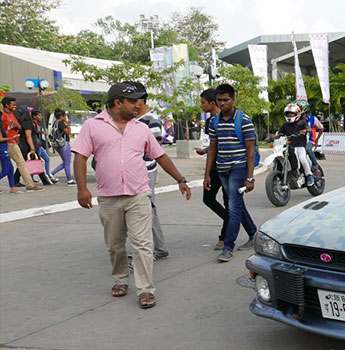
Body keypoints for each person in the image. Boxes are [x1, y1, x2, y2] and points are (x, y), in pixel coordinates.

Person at [72, 82, 191, 309]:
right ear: (118, 103)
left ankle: (146, 289)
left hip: (138, 194)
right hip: (109, 197)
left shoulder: (141, 128)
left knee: (142, 244)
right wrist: (82, 188)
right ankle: (120, 279)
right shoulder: (92, 126)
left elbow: (160, 156)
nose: (138, 105)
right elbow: (80, 157)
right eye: (133, 101)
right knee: (115, 245)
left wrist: (180, 179)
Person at [203, 83, 258, 263]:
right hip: (222, 169)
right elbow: (212, 148)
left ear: (233, 100)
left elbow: (250, 151)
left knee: (233, 207)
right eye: (220, 100)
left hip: (239, 168)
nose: (223, 103)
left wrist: (250, 177)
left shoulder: (244, 120)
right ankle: (253, 234)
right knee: (237, 204)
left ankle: (228, 247)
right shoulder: (214, 122)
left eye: (226, 100)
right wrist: (207, 174)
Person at [132, 82, 169, 260]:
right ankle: (159, 247)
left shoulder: (151, 120)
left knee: (144, 209)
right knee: (146, 209)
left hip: (146, 171)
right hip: (135, 171)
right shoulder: (132, 120)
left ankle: (147, 250)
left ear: (139, 101)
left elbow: (154, 149)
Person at [196, 88, 228, 251]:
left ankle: (225, 236)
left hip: (231, 167)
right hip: (215, 166)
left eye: (203, 102)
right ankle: (229, 221)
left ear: (212, 103)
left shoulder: (231, 118)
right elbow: (214, 146)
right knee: (208, 199)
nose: (201, 106)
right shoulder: (210, 122)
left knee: (231, 203)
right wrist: (206, 173)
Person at [1, 97, 42, 191]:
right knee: (21, 162)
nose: (15, 106)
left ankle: (16, 186)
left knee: (5, 167)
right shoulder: (2, 115)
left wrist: (15, 125)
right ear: (7, 105)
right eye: (13, 104)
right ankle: (30, 185)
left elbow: (19, 127)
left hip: (14, 141)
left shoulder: (11, 114)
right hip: (8, 141)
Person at [277, 102, 315, 186]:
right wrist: (272, 137)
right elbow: (280, 134)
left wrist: (304, 131)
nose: (290, 115)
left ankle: (309, 175)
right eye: (288, 114)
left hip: (300, 145)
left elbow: (309, 129)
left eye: (292, 113)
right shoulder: (285, 125)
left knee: (302, 158)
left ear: (297, 114)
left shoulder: (301, 122)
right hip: (289, 146)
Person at [50, 109, 76, 185]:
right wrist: (68, 125)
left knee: (65, 162)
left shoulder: (55, 123)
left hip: (57, 144)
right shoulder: (61, 123)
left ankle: (51, 174)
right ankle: (69, 180)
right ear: (62, 116)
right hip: (63, 144)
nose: (66, 117)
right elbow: (68, 132)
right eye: (65, 116)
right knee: (67, 162)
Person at [0, 118, 20, 192]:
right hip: (2, 149)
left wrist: (8, 129)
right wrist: (12, 137)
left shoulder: (1, 128)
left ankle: (13, 187)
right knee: (5, 171)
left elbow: (2, 136)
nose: (2, 118)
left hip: (4, 148)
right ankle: (12, 187)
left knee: (10, 169)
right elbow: (1, 139)